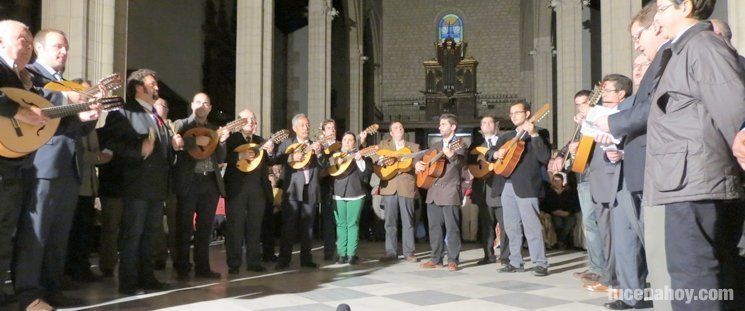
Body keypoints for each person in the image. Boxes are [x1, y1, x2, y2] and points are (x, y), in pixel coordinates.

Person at [647, 1, 745, 309]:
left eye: (662, 8)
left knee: (693, 277)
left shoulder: (703, 45)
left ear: (685, 6)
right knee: (695, 275)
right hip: (686, 179)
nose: (657, 18)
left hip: (696, 180)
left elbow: (735, 111)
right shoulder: (682, 50)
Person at [15, 28, 103, 309]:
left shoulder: (64, 84)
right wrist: (71, 102)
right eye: (57, 47)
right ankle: (28, 292)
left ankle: (52, 287)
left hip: (69, 165)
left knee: (58, 234)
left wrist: (88, 117)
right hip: (42, 164)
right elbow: (34, 105)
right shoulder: (30, 74)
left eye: (66, 47)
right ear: (39, 48)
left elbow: (73, 127)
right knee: (36, 234)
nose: (64, 51)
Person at [98, 68, 173, 296]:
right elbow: (110, 141)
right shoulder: (123, 112)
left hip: (156, 186)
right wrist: (137, 150)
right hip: (135, 185)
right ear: (139, 87)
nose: (157, 87)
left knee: (150, 234)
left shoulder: (157, 116)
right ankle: (128, 282)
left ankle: (147, 277)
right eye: (152, 83)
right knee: (133, 234)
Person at [0, 19, 54, 309]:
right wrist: (20, 110)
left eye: (31, 40)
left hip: (13, 164)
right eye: (23, 38)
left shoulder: (21, 77)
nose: (28, 45)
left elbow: (38, 117)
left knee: (5, 232)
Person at [170, 93, 228, 279]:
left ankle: (203, 267)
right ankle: (182, 266)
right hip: (189, 180)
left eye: (206, 103)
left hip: (209, 181)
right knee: (184, 227)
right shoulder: (181, 124)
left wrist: (222, 141)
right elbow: (174, 145)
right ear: (191, 104)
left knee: (205, 228)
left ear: (210, 108)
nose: (202, 106)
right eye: (198, 102)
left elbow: (219, 158)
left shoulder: (213, 129)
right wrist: (195, 141)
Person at [490, 102, 551, 276]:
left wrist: (533, 134)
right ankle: (515, 262)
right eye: (511, 113)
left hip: (527, 185)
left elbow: (544, 157)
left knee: (532, 226)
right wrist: (495, 154)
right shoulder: (506, 136)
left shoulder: (540, 133)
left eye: (517, 112)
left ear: (528, 113)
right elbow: (490, 154)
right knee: (511, 227)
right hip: (506, 185)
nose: (514, 116)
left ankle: (540, 263)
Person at [223, 109, 275, 273]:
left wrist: (271, 151)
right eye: (247, 120)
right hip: (236, 190)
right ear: (239, 123)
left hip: (257, 190)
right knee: (235, 228)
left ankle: (253, 262)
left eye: (254, 119)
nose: (252, 122)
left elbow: (270, 161)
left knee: (255, 227)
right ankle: (234, 264)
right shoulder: (231, 140)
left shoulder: (261, 141)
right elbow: (221, 157)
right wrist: (239, 156)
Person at [274, 113, 327, 269]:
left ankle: (306, 259)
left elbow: (324, 165)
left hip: (310, 188)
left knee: (308, 227)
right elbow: (277, 159)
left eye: (308, 125)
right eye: (303, 125)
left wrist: (318, 153)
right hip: (292, 189)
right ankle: (284, 260)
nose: (306, 128)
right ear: (295, 128)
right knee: (289, 226)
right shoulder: (287, 144)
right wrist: (291, 158)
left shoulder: (315, 144)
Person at [415, 113, 466, 272]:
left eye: (443, 124)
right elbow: (420, 157)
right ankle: (436, 259)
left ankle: (453, 260)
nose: (439, 127)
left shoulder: (460, 144)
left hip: (450, 192)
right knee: (434, 228)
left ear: (453, 127)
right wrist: (417, 164)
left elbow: (460, 165)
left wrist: (451, 156)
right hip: (432, 193)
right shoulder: (435, 145)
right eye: (440, 124)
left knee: (452, 228)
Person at [376, 122, 420, 262]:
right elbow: (375, 157)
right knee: (390, 222)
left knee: (408, 221)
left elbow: (417, 162)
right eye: (396, 128)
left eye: (401, 127)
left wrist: (417, 164)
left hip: (406, 186)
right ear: (391, 133)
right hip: (389, 186)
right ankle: (391, 251)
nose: (399, 129)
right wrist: (381, 160)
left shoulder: (413, 147)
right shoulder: (384, 145)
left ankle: (409, 252)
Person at [469, 116, 509, 265]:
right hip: (482, 189)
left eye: (490, 122)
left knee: (505, 225)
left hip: (500, 187)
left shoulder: (503, 141)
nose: (487, 125)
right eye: (484, 123)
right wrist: (481, 159)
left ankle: (505, 257)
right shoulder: (476, 144)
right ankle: (489, 255)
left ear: (495, 125)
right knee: (486, 225)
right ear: (480, 127)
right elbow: (470, 162)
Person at [331, 132, 372, 264]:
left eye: (350, 140)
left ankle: (351, 254)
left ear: (354, 143)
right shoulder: (336, 155)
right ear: (341, 141)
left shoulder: (359, 155)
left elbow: (366, 172)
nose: (347, 142)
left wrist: (359, 159)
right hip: (338, 193)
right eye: (345, 139)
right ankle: (341, 254)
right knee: (341, 224)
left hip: (356, 193)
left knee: (352, 224)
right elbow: (330, 168)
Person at [541, 173, 579, 249]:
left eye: (558, 181)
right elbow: (545, 204)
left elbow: (573, 203)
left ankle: (561, 241)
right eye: (554, 181)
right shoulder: (549, 192)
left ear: (562, 181)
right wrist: (553, 211)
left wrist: (568, 212)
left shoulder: (568, 192)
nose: (556, 182)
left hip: (567, 213)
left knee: (570, 222)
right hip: (554, 213)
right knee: (558, 224)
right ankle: (560, 242)